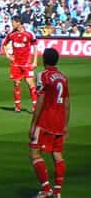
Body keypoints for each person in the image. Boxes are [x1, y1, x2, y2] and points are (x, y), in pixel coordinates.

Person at [29, 48, 70, 198]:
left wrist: (33, 124)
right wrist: (65, 125)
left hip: (46, 120)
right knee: (57, 154)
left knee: (34, 153)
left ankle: (46, 188)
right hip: (59, 121)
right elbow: (67, 102)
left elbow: (40, 100)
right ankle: (57, 192)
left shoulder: (43, 75)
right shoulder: (63, 78)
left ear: (44, 60)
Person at [1, 16, 39, 112]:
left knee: (31, 84)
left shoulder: (29, 34)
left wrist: (35, 61)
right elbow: (4, 44)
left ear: (18, 23)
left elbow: (35, 47)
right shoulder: (11, 34)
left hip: (27, 64)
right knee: (17, 84)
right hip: (16, 64)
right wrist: (8, 55)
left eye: (13, 22)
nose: (12, 24)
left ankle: (35, 106)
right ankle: (17, 106)